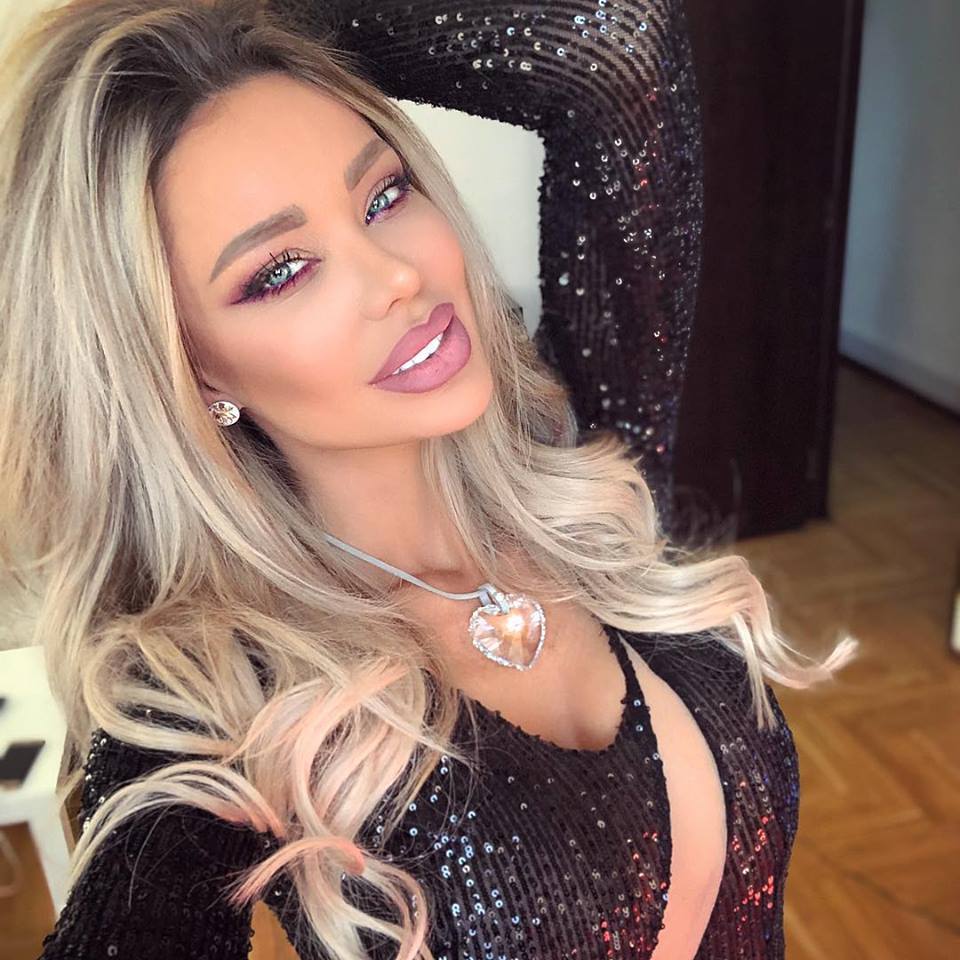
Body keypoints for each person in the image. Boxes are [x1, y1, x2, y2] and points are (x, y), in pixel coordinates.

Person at [0, 1, 858, 958]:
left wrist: (245, 19)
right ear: (187, 371)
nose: (397, 277)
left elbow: (614, 42)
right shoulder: (214, 701)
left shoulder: (581, 450)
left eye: (382, 195)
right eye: (281, 271)